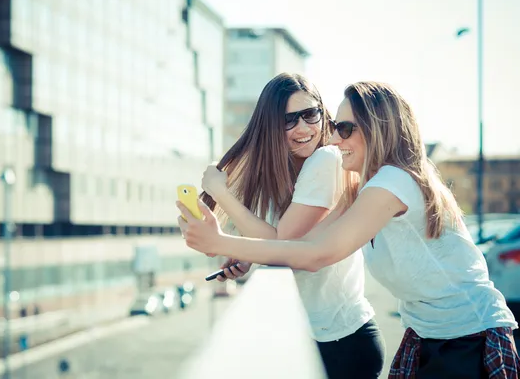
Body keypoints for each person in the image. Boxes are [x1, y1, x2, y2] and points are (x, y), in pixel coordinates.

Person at [178, 81, 520, 378]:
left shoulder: (392, 181)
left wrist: (221, 237)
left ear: (377, 128)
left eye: (346, 129)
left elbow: (316, 256)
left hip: (468, 339)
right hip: (427, 337)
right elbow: (305, 244)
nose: (335, 139)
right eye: (336, 126)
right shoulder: (365, 185)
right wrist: (238, 249)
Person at [198, 73, 385, 379]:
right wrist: (251, 256)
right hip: (318, 338)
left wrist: (220, 192)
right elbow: (281, 244)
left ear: (323, 114)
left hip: (338, 342)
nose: (303, 128)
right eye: (288, 120)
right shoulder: (280, 172)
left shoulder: (327, 160)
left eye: (310, 115)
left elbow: (282, 241)